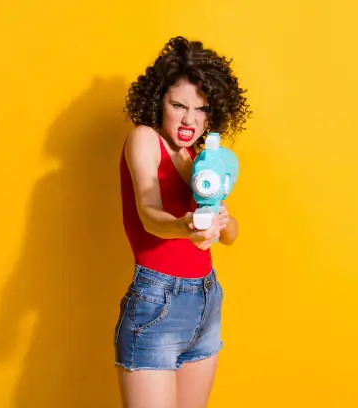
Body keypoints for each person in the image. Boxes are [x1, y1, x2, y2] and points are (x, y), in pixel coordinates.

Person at [115, 36, 251, 408]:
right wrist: (187, 226)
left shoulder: (199, 159)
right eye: (178, 105)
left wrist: (222, 221)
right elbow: (149, 213)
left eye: (201, 109)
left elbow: (231, 235)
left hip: (206, 301)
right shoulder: (144, 139)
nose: (190, 118)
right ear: (158, 101)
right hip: (157, 303)